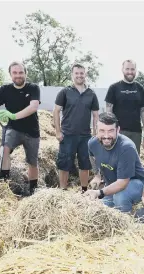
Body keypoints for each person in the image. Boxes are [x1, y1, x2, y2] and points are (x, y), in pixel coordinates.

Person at [0, 61, 40, 195]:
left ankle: (33, 190)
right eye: (14, 73)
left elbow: (33, 107)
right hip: (12, 128)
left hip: (31, 131)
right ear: (10, 74)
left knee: (32, 161)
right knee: (4, 150)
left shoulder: (33, 88)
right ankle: (4, 184)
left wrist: (14, 116)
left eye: (21, 72)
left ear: (26, 73)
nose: (18, 75)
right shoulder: (5, 89)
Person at [84, 112, 144, 213]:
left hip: (136, 183)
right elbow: (92, 156)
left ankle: (126, 223)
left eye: (111, 131)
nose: (106, 136)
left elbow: (122, 183)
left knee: (120, 197)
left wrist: (99, 192)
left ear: (118, 130)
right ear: (96, 130)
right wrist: (97, 175)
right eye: (102, 131)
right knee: (98, 209)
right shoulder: (93, 143)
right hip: (112, 185)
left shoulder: (126, 147)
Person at [53, 63, 100, 192]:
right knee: (65, 163)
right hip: (67, 134)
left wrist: (96, 134)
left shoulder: (91, 94)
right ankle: (63, 190)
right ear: (72, 75)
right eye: (77, 73)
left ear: (85, 75)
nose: (79, 76)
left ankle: (84, 190)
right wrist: (58, 131)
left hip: (85, 136)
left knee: (85, 163)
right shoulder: (65, 92)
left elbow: (96, 116)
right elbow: (56, 111)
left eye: (82, 73)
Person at [105, 59, 144, 154]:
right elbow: (109, 111)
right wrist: (109, 131)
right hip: (118, 132)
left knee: (133, 160)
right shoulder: (114, 88)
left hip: (136, 132)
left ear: (136, 70)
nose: (130, 72)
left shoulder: (140, 88)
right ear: (122, 70)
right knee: (116, 160)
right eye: (127, 69)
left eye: (132, 69)